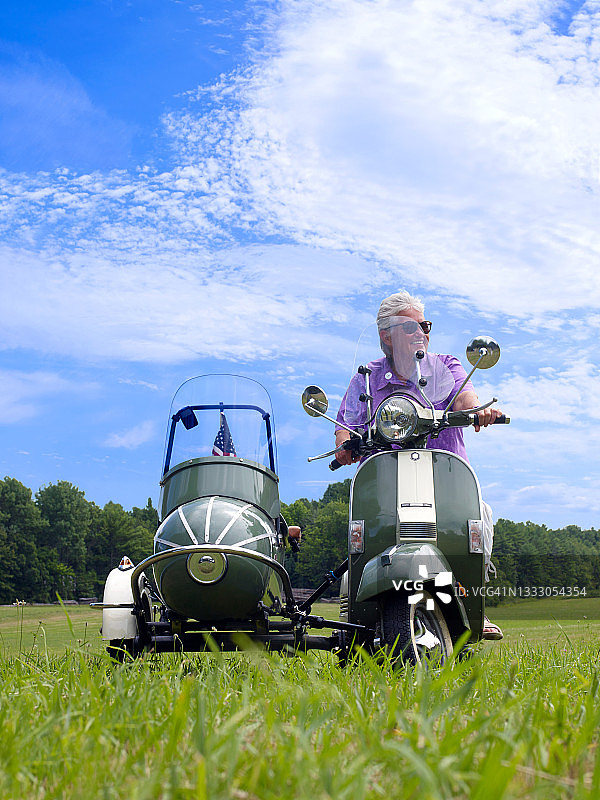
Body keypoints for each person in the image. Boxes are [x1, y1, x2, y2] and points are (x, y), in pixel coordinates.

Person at [335, 289, 504, 641]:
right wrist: (344, 445)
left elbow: (465, 395)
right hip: (386, 484)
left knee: (479, 517)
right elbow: (346, 423)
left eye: (425, 326)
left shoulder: (445, 365)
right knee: (363, 532)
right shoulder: (366, 377)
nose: (423, 333)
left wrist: (478, 410)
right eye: (413, 327)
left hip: (443, 478)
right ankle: (356, 608)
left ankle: (474, 604)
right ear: (387, 334)